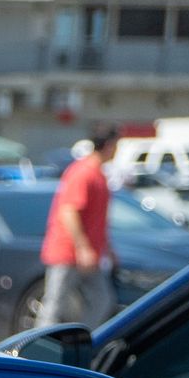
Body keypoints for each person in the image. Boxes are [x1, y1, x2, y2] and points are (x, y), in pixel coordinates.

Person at [40, 124, 120, 325]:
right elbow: (68, 211)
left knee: (101, 300)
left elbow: (97, 218)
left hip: (89, 255)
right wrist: (82, 247)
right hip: (68, 252)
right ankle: (36, 350)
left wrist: (107, 248)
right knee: (55, 305)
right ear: (110, 146)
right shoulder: (83, 172)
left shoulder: (98, 174)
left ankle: (83, 341)